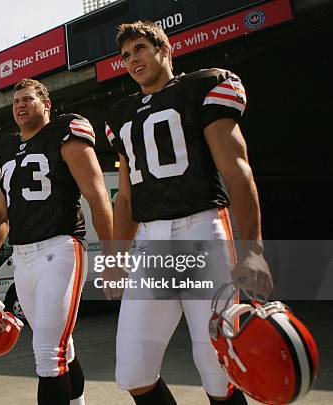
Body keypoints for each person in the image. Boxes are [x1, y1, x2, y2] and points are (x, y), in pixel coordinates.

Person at [104, 21, 274, 404]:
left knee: (218, 369)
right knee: (133, 369)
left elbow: (237, 170)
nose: (133, 60)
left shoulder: (202, 86)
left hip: (203, 231)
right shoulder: (121, 114)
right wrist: (115, 257)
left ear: (164, 49)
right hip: (150, 242)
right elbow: (126, 198)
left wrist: (253, 250)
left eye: (140, 49)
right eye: (126, 55)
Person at [0, 78, 114, 405]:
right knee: (61, 348)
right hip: (23, 258)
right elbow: (0, 213)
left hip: (61, 249)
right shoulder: (7, 148)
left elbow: (97, 197)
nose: (20, 106)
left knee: (47, 353)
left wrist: (113, 257)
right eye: (15, 102)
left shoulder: (64, 133)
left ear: (47, 104)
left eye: (27, 99)